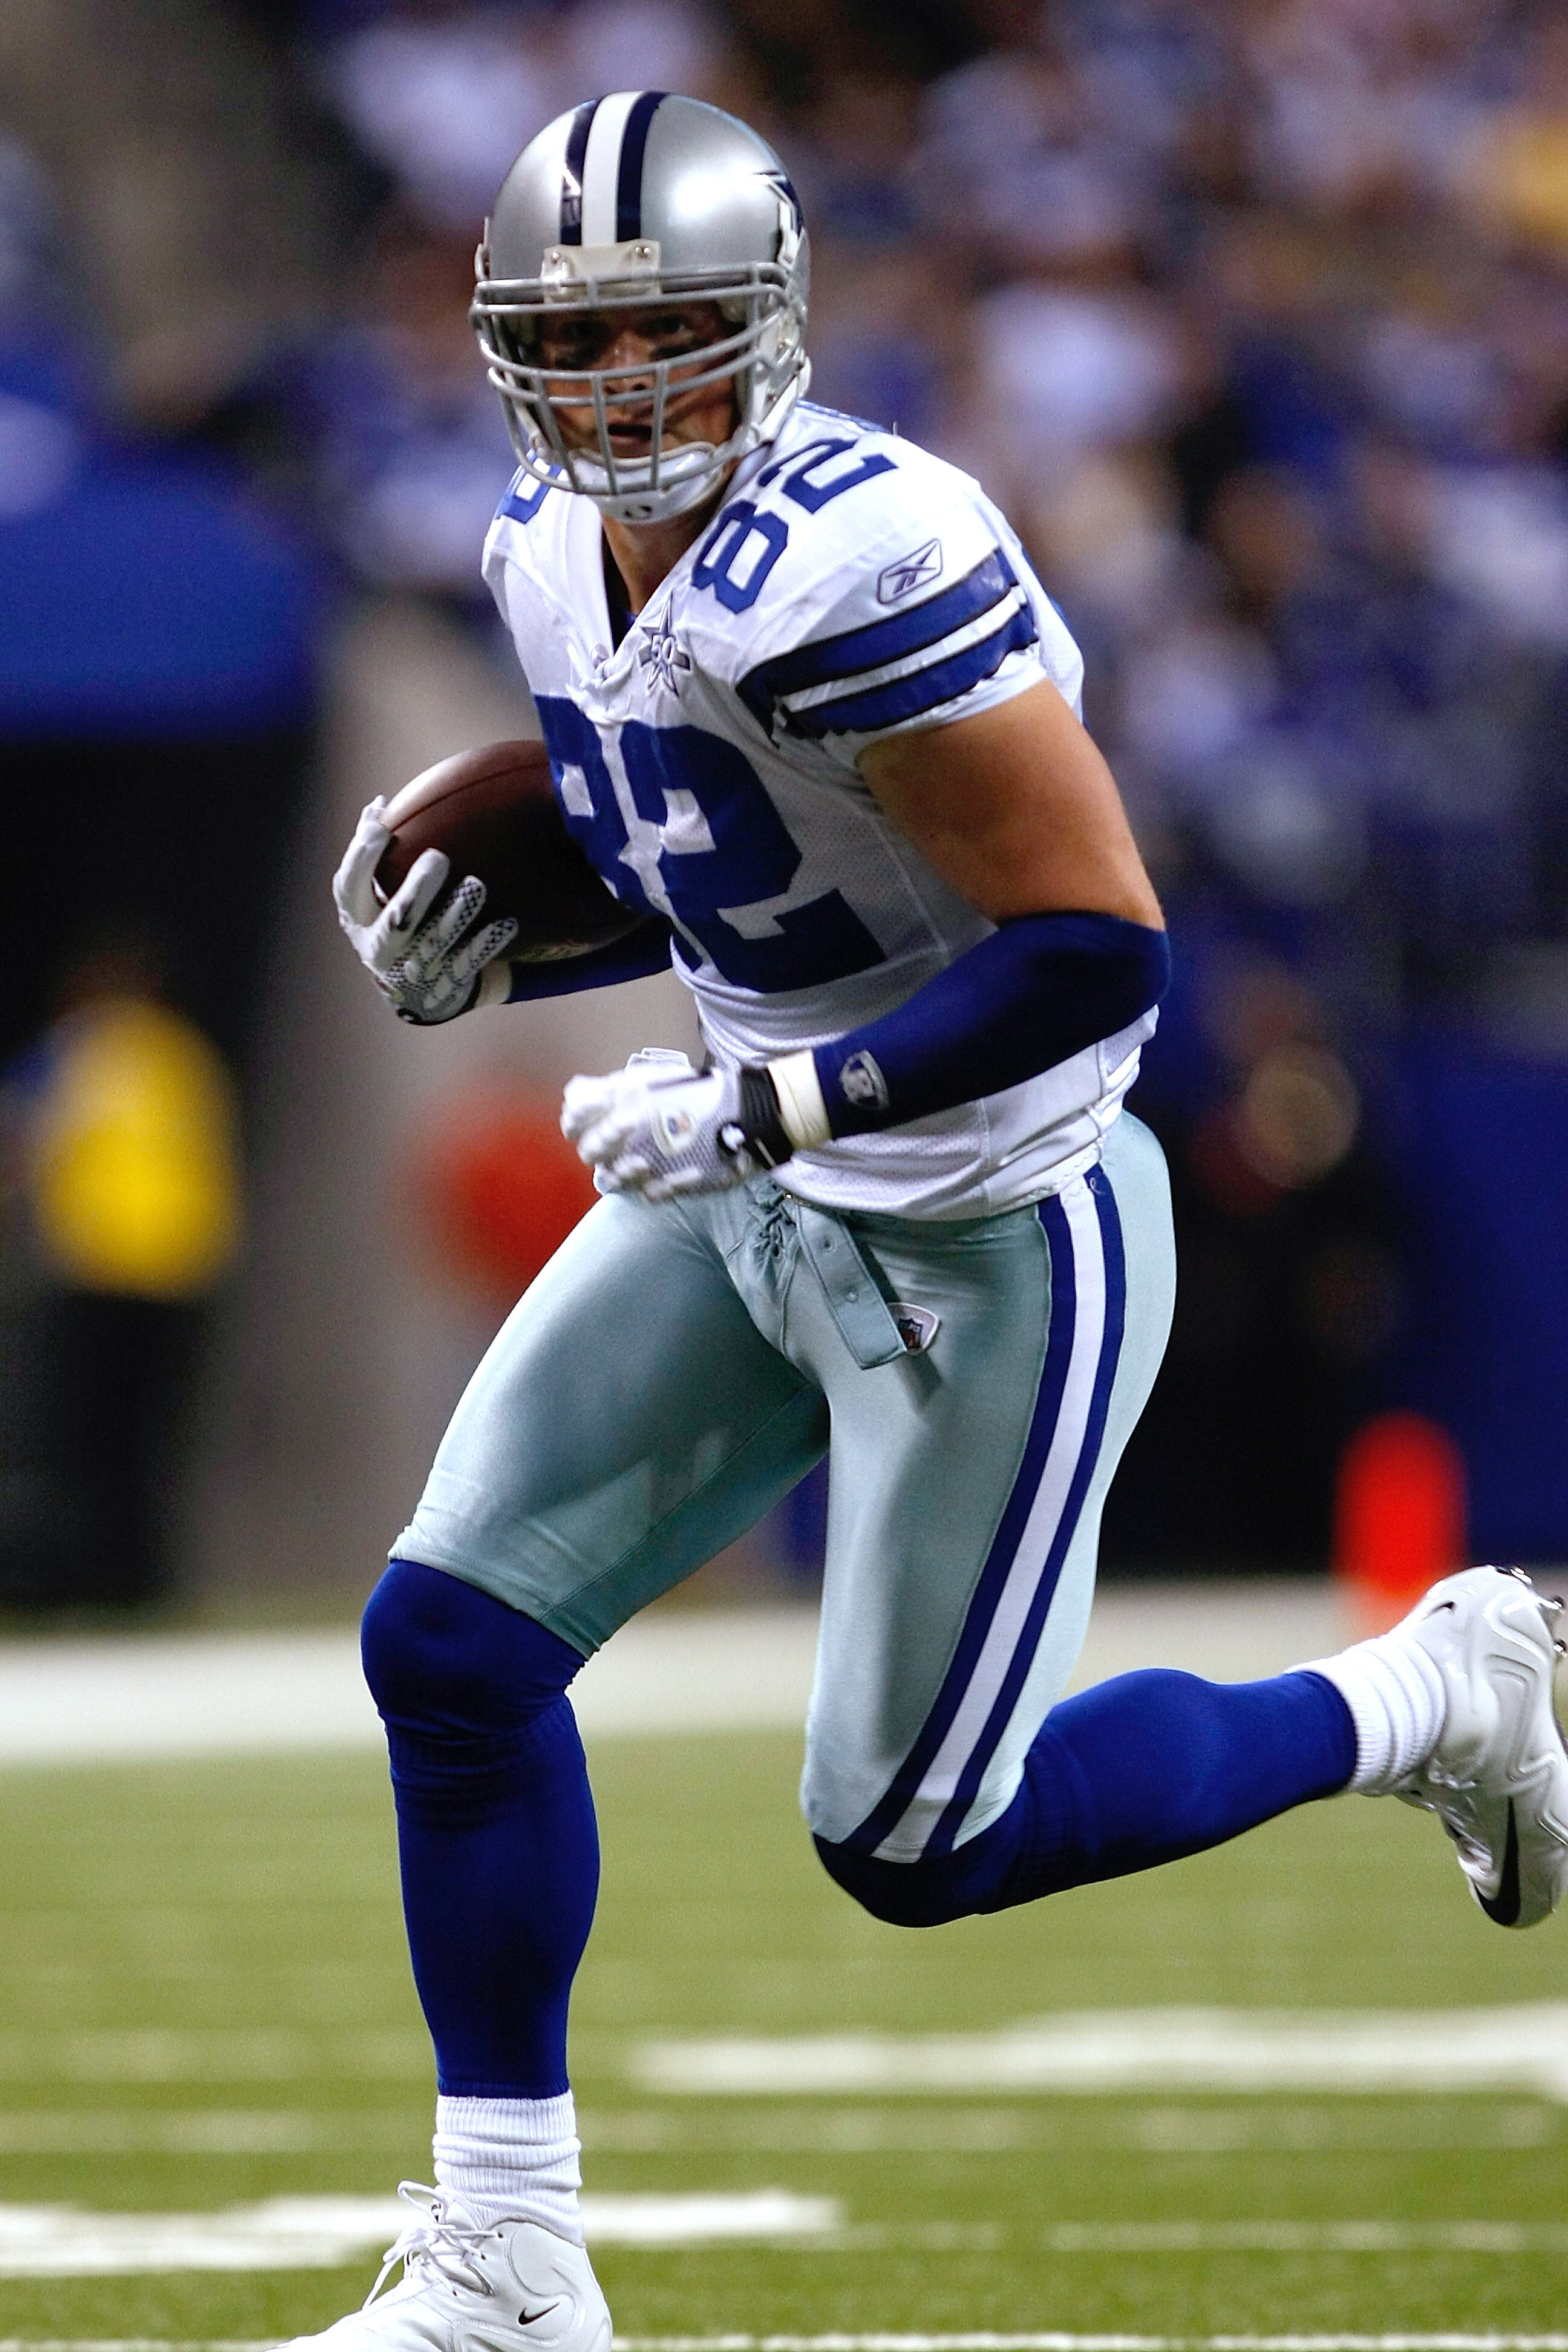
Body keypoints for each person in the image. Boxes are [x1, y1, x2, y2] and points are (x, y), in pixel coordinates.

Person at [307, 92, 1568, 2351]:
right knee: (453, 1652)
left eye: (669, 334)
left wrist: (779, 1100)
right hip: (758, 1167)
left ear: (770, 324)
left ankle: (1428, 1692)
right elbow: (734, 866)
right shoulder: (527, 542)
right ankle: (507, 2260)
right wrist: (516, 932)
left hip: (996, 1219)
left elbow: (1095, 939)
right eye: (569, 345)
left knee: (917, 1847)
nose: (618, 394)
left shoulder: (864, 548)